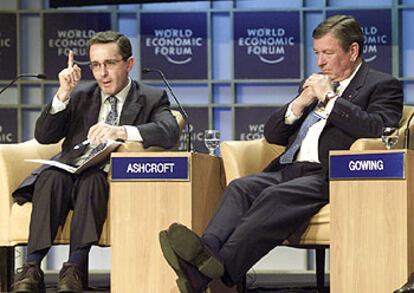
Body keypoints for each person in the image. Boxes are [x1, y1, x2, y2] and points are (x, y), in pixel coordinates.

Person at [159, 15, 403, 293]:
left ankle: (205, 274)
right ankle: (206, 253)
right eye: (317, 53)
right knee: (241, 187)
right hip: (289, 169)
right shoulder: (313, 84)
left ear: (353, 51)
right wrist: (299, 104)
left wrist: (330, 100)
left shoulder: (381, 85)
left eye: (328, 53)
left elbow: (379, 129)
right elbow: (274, 135)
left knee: (273, 196)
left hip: (331, 174)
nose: (320, 62)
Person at [11, 31, 180, 293]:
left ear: (129, 64)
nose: (102, 73)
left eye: (110, 63)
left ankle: (74, 269)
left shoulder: (151, 97)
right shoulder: (81, 96)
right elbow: (44, 136)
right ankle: (31, 269)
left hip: (106, 179)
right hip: (67, 174)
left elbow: (169, 131)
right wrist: (63, 94)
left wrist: (121, 131)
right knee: (50, 177)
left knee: (92, 181)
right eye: (95, 65)